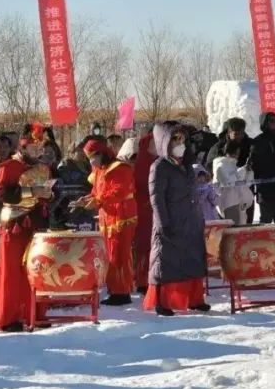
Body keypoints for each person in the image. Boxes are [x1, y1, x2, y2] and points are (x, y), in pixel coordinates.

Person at [0, 122, 54, 332]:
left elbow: (49, 195)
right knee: (12, 272)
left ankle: (34, 313)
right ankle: (9, 317)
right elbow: (4, 194)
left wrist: (49, 195)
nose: (38, 151)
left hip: (36, 227)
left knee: (36, 270)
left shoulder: (42, 168)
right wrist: (32, 191)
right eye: (34, 148)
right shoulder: (9, 167)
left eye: (39, 148)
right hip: (14, 226)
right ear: (23, 147)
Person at [144, 123, 209, 316]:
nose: (180, 144)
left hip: (190, 220)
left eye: (182, 139)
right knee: (167, 261)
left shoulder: (187, 165)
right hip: (170, 221)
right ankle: (163, 301)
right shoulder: (159, 167)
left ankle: (195, 299)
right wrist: (164, 222)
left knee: (193, 258)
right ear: (165, 143)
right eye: (175, 140)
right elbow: (156, 198)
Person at [75, 137, 137, 306]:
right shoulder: (99, 171)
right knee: (110, 255)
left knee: (119, 255)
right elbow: (97, 192)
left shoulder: (120, 168)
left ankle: (122, 292)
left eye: (93, 157)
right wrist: (86, 200)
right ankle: (114, 290)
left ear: (102, 154)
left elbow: (119, 191)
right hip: (108, 216)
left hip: (121, 217)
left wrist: (98, 201)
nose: (91, 161)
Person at [132, 126, 157, 293]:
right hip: (143, 209)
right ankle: (142, 279)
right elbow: (141, 184)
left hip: (154, 209)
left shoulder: (157, 160)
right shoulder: (142, 161)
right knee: (144, 244)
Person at [213, 139, 254, 225]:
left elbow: (245, 184)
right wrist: (242, 170)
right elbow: (228, 182)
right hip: (229, 204)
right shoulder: (221, 166)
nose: (238, 154)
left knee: (241, 232)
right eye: (237, 151)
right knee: (233, 232)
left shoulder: (233, 166)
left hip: (240, 203)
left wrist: (248, 172)